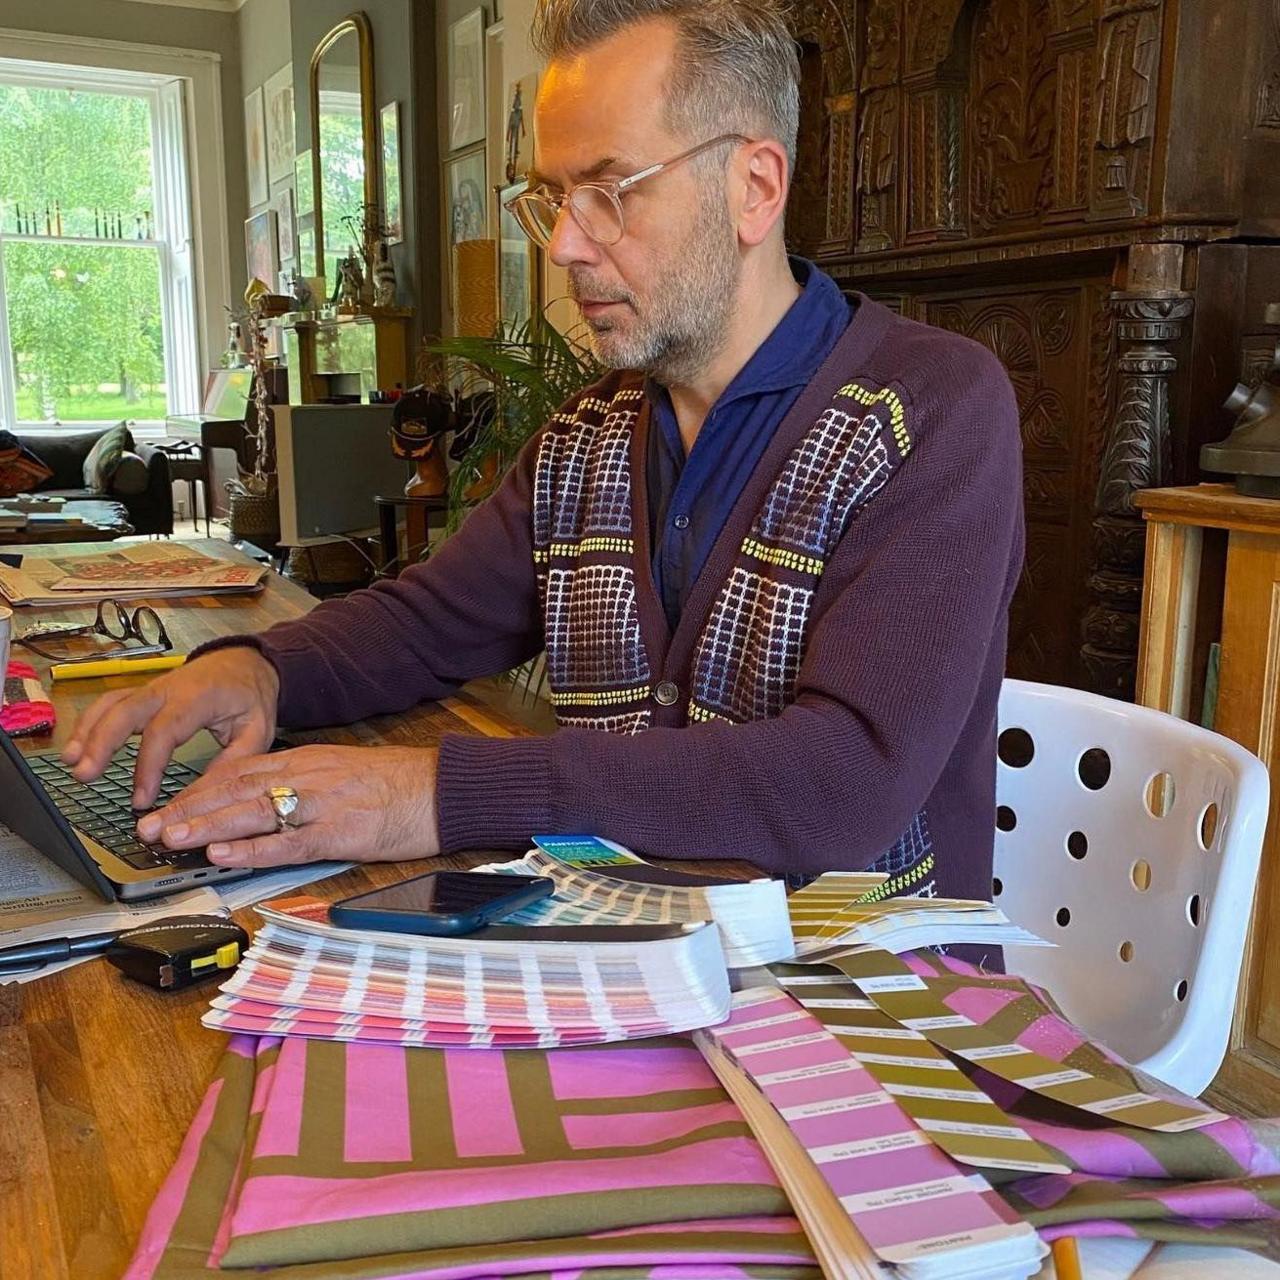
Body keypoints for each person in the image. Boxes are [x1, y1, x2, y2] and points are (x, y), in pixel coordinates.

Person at [64, 0, 1024, 905]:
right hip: (633, 963)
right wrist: (260, 671)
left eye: (608, 192)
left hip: (869, 1003)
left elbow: (842, 784)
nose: (564, 244)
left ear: (753, 188)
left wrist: (436, 793)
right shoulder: (590, 436)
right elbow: (427, 624)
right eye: (554, 197)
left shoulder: (930, 409)